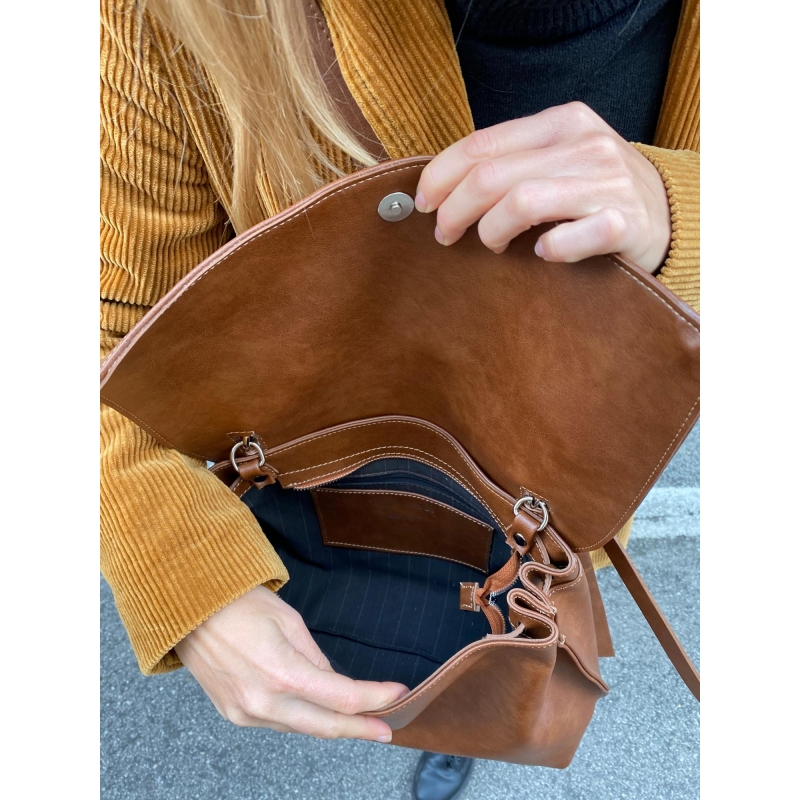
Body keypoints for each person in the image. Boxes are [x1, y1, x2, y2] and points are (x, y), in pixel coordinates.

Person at [100, 1, 699, 798]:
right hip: (318, 476)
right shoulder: (169, 17)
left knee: (497, 656)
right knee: (422, 643)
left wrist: (684, 211)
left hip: (545, 488)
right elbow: (110, 340)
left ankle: (465, 716)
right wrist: (188, 577)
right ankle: (447, 705)